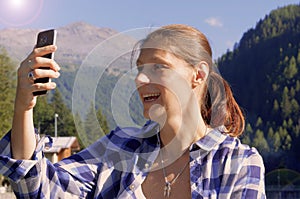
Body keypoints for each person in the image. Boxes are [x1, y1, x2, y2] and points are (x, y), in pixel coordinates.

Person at [0, 24, 265, 198]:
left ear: (198, 75)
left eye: (158, 67)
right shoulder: (119, 147)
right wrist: (24, 106)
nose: (140, 80)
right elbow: (37, 187)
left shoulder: (239, 163)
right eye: (140, 69)